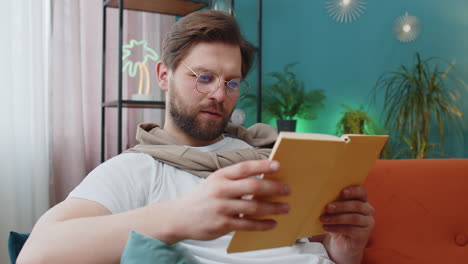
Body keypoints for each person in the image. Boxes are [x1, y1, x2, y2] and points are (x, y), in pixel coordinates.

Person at [18, 10, 374, 264]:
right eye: (204, 77)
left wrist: (346, 249)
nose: (220, 95)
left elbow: (312, 249)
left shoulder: (265, 153)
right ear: (163, 75)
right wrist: (183, 216)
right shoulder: (137, 169)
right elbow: (38, 252)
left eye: (231, 82)